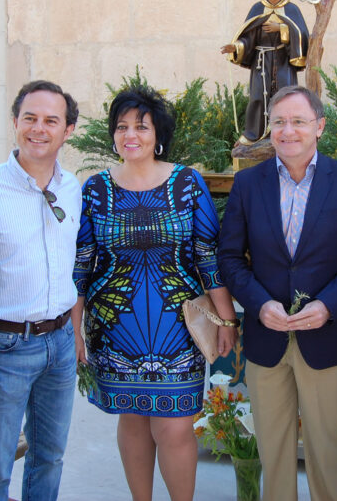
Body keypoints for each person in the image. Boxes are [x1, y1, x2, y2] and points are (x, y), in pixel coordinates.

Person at [73, 85, 239, 501]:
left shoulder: (187, 183)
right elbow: (81, 267)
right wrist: (74, 332)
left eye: (141, 127)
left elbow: (208, 257)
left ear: (157, 134)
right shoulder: (95, 190)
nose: (130, 135)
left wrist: (227, 321)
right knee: (131, 419)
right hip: (114, 327)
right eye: (122, 127)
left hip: (178, 327)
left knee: (176, 426)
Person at [218, 85, 337, 501]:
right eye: (279, 122)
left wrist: (328, 305)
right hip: (266, 338)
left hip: (324, 337)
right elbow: (230, 258)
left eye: (298, 121)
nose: (287, 131)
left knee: (326, 451)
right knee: (274, 451)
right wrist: (258, 304)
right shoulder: (248, 184)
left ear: (319, 126)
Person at [0, 80, 81, 501]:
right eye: (30, 118)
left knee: (50, 456)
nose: (38, 129)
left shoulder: (72, 189)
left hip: (60, 343)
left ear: (67, 130)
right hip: (2, 347)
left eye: (51, 120)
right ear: (15, 122)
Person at [221, 0, 309, 145]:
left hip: (283, 60)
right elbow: (248, 36)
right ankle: (253, 134)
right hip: (261, 61)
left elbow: (303, 35)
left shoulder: (292, 9)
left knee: (285, 96)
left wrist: (282, 28)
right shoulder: (257, 8)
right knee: (257, 96)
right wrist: (236, 47)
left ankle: (285, 135)